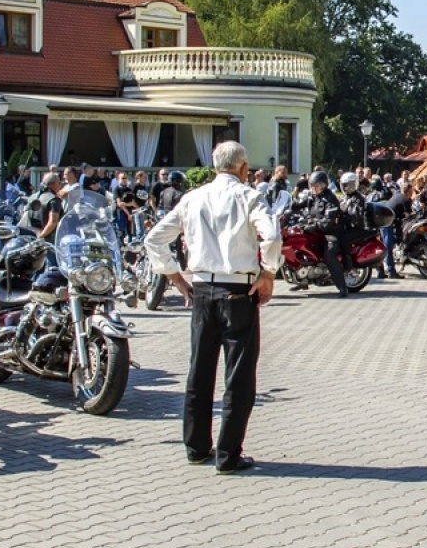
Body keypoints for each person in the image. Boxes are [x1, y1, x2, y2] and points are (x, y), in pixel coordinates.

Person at [144, 141, 281, 474]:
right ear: (243, 168)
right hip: (238, 290)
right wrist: (268, 273)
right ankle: (228, 453)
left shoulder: (193, 198)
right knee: (239, 376)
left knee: (200, 370)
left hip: (203, 289)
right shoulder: (248, 196)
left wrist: (174, 276)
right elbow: (272, 236)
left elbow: (154, 238)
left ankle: (195, 446)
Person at [296, 170, 350, 295]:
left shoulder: (330, 199)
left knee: (329, 254)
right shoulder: (312, 196)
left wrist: (313, 226)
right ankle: (302, 279)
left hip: (331, 233)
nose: (313, 188)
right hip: (316, 230)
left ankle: (342, 287)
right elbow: (300, 205)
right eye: (312, 185)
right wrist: (289, 209)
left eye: (316, 185)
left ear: (323, 185)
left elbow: (327, 222)